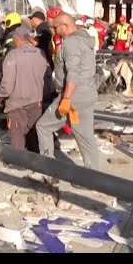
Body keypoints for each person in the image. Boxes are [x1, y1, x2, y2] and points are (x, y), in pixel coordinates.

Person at [36, 13, 100, 173]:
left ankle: (47, 168)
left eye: (56, 28)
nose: (55, 32)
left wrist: (66, 98)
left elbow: (73, 73)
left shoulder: (71, 44)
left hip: (73, 96)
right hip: (88, 94)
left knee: (43, 126)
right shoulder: (85, 41)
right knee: (85, 136)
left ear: (65, 25)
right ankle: (93, 175)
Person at [0, 26, 51, 150]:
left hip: (17, 104)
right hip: (37, 102)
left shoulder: (12, 55)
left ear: (16, 39)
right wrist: (46, 96)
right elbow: (48, 78)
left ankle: (18, 163)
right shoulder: (40, 54)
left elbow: (7, 83)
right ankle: (34, 160)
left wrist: (0, 96)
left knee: (17, 134)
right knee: (33, 133)